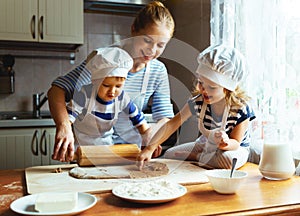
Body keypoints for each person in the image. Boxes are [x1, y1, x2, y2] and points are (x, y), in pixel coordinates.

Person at [48, 1, 175, 162]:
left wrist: (151, 134)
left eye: (160, 45)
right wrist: (64, 126)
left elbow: (164, 117)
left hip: (129, 156)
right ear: (134, 30)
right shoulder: (105, 61)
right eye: (147, 40)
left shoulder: (158, 70)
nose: (152, 50)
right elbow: (57, 90)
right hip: (92, 154)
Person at [137, 44, 256, 170]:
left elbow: (236, 143)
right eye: (201, 83)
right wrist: (150, 148)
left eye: (212, 87)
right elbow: (172, 124)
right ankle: (206, 156)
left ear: (228, 89)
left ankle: (197, 157)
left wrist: (225, 143)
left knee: (228, 160)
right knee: (170, 154)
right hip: (206, 144)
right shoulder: (198, 102)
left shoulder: (241, 108)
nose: (203, 90)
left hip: (235, 149)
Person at [67, 47, 151, 147]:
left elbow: (139, 122)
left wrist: (148, 138)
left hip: (106, 147)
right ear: (94, 82)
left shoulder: (122, 98)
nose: (112, 91)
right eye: (106, 85)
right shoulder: (84, 95)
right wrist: (67, 136)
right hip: (80, 147)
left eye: (118, 86)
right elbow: (68, 119)